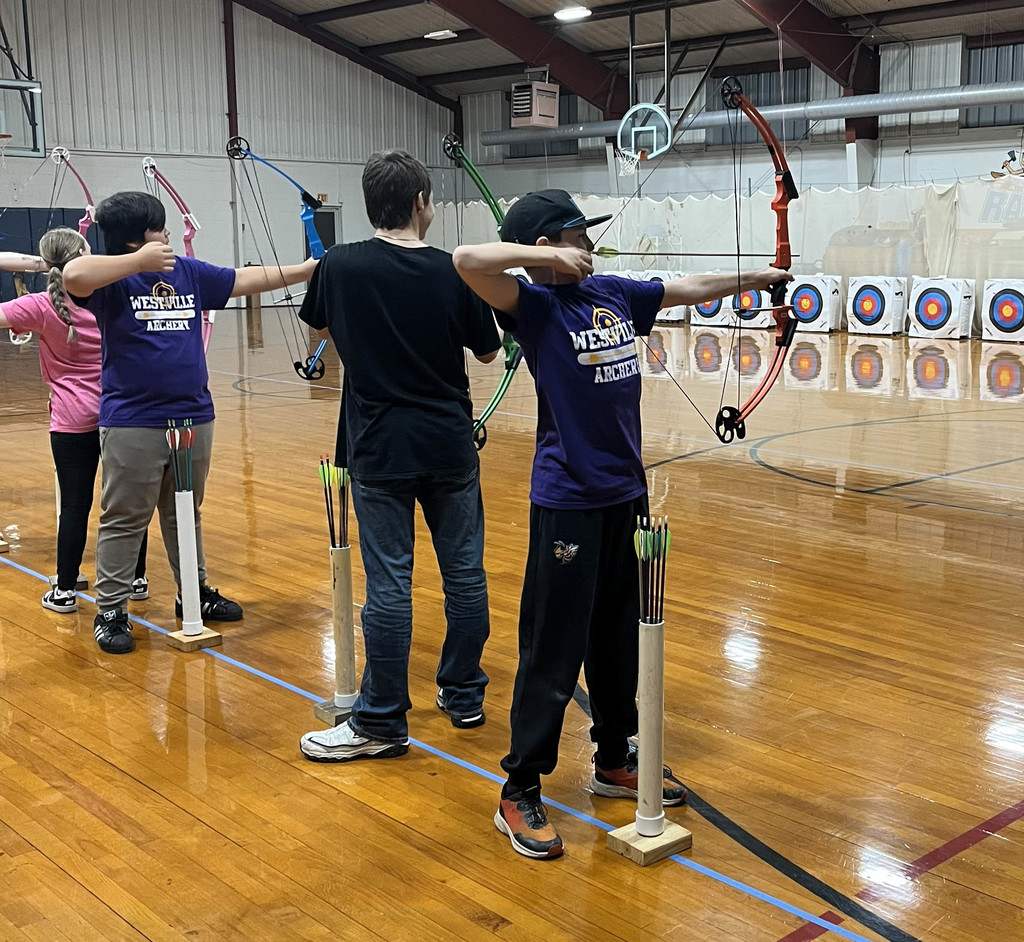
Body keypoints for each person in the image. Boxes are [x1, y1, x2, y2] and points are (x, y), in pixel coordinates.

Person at [452, 189, 793, 859]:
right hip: (567, 499)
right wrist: (541, 259)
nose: (592, 242)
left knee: (617, 637)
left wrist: (759, 276)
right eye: (579, 232)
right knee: (553, 647)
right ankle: (519, 788)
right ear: (549, 242)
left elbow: (687, 285)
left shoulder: (612, 292)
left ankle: (613, 757)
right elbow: (467, 260)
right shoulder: (537, 307)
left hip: (623, 494)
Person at [296, 149, 500, 763]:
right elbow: (488, 354)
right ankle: (462, 692)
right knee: (464, 574)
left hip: (379, 447)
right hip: (446, 444)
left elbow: (321, 329)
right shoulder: (452, 270)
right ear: (419, 202)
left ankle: (382, 720)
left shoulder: (339, 266)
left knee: (390, 584)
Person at [63, 192, 318, 654]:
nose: (166, 237)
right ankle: (112, 610)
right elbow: (72, 275)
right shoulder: (110, 280)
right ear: (138, 237)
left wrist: (303, 270)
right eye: (159, 230)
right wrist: (137, 262)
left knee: (185, 512)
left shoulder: (186, 273)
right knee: (124, 518)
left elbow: (241, 279)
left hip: (194, 414)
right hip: (134, 420)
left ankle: (193, 593)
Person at [0, 231, 149, 612]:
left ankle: (65, 590)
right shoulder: (113, 293)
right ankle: (135, 579)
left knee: (75, 505)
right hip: (121, 414)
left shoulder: (39, 304)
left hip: (71, 420)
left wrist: (41, 264)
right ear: (84, 257)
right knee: (127, 502)